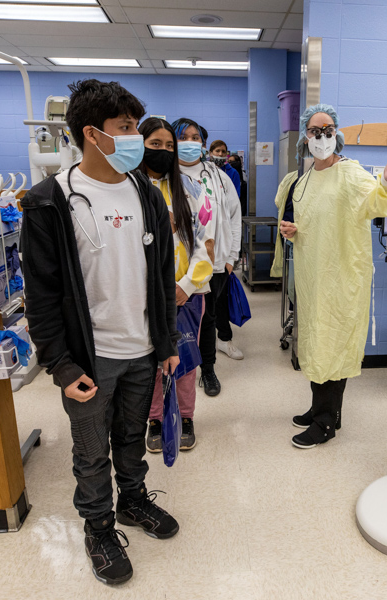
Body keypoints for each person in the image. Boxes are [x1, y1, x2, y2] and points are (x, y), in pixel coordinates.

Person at [20, 79, 181, 586]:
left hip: (142, 349)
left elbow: (161, 276)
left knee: (132, 438)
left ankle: (133, 501)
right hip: (91, 359)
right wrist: (61, 366)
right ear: (93, 134)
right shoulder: (50, 201)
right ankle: (98, 527)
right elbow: (42, 295)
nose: (135, 137)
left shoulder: (145, 196)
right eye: (127, 128)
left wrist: (168, 343)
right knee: (91, 452)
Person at [271, 103, 387, 449]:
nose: (320, 137)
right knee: (315, 341)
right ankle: (320, 409)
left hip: (341, 278)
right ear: (304, 138)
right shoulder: (303, 179)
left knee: (333, 344)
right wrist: (290, 230)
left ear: (336, 134)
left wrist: (386, 179)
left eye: (327, 130)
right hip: (312, 277)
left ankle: (326, 424)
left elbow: (377, 204)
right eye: (313, 131)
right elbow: (306, 223)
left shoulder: (351, 173)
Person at [137, 117, 215, 453]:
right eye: (156, 144)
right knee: (151, 362)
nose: (164, 151)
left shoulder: (191, 190)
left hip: (187, 294)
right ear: (139, 145)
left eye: (169, 146)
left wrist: (185, 285)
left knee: (183, 362)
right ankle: (155, 418)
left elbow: (205, 246)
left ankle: (186, 417)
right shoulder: (130, 190)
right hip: (142, 297)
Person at [172, 118, 243, 397]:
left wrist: (231, 258)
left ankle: (209, 369)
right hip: (178, 266)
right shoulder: (165, 175)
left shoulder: (218, 176)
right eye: (183, 137)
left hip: (214, 265)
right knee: (177, 320)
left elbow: (234, 216)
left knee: (208, 318)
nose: (190, 143)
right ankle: (177, 372)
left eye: (195, 137)